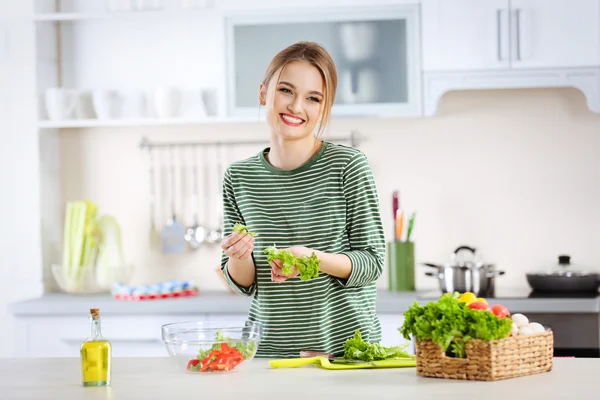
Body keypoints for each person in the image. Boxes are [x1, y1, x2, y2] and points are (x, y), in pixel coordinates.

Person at [219, 41, 386, 358]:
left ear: (324, 109)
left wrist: (309, 258)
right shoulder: (238, 177)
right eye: (285, 90)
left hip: (347, 354)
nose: (296, 106)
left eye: (313, 98)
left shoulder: (348, 167)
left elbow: (373, 263)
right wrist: (239, 256)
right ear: (263, 94)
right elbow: (243, 282)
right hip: (270, 354)